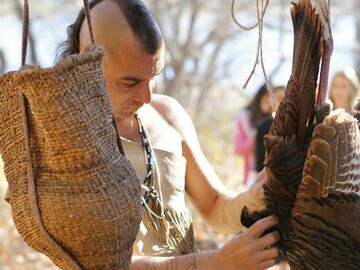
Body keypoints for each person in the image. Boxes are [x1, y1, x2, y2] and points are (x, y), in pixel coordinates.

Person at [57, 0, 280, 269]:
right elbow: (99, 264)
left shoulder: (167, 113)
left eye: (153, 76)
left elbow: (214, 206)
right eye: (130, 82)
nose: (147, 95)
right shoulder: (61, 139)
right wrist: (217, 263)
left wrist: (253, 198)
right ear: (87, 64)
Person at [233, 84, 272, 184]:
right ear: (260, 97)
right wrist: (256, 137)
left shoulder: (273, 119)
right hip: (252, 175)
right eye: (266, 100)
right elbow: (238, 148)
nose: (269, 104)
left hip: (271, 176)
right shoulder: (244, 116)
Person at [255, 85, 286, 172]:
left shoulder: (297, 125)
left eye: (286, 97)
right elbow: (259, 159)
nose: (283, 101)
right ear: (271, 102)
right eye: (279, 98)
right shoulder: (263, 127)